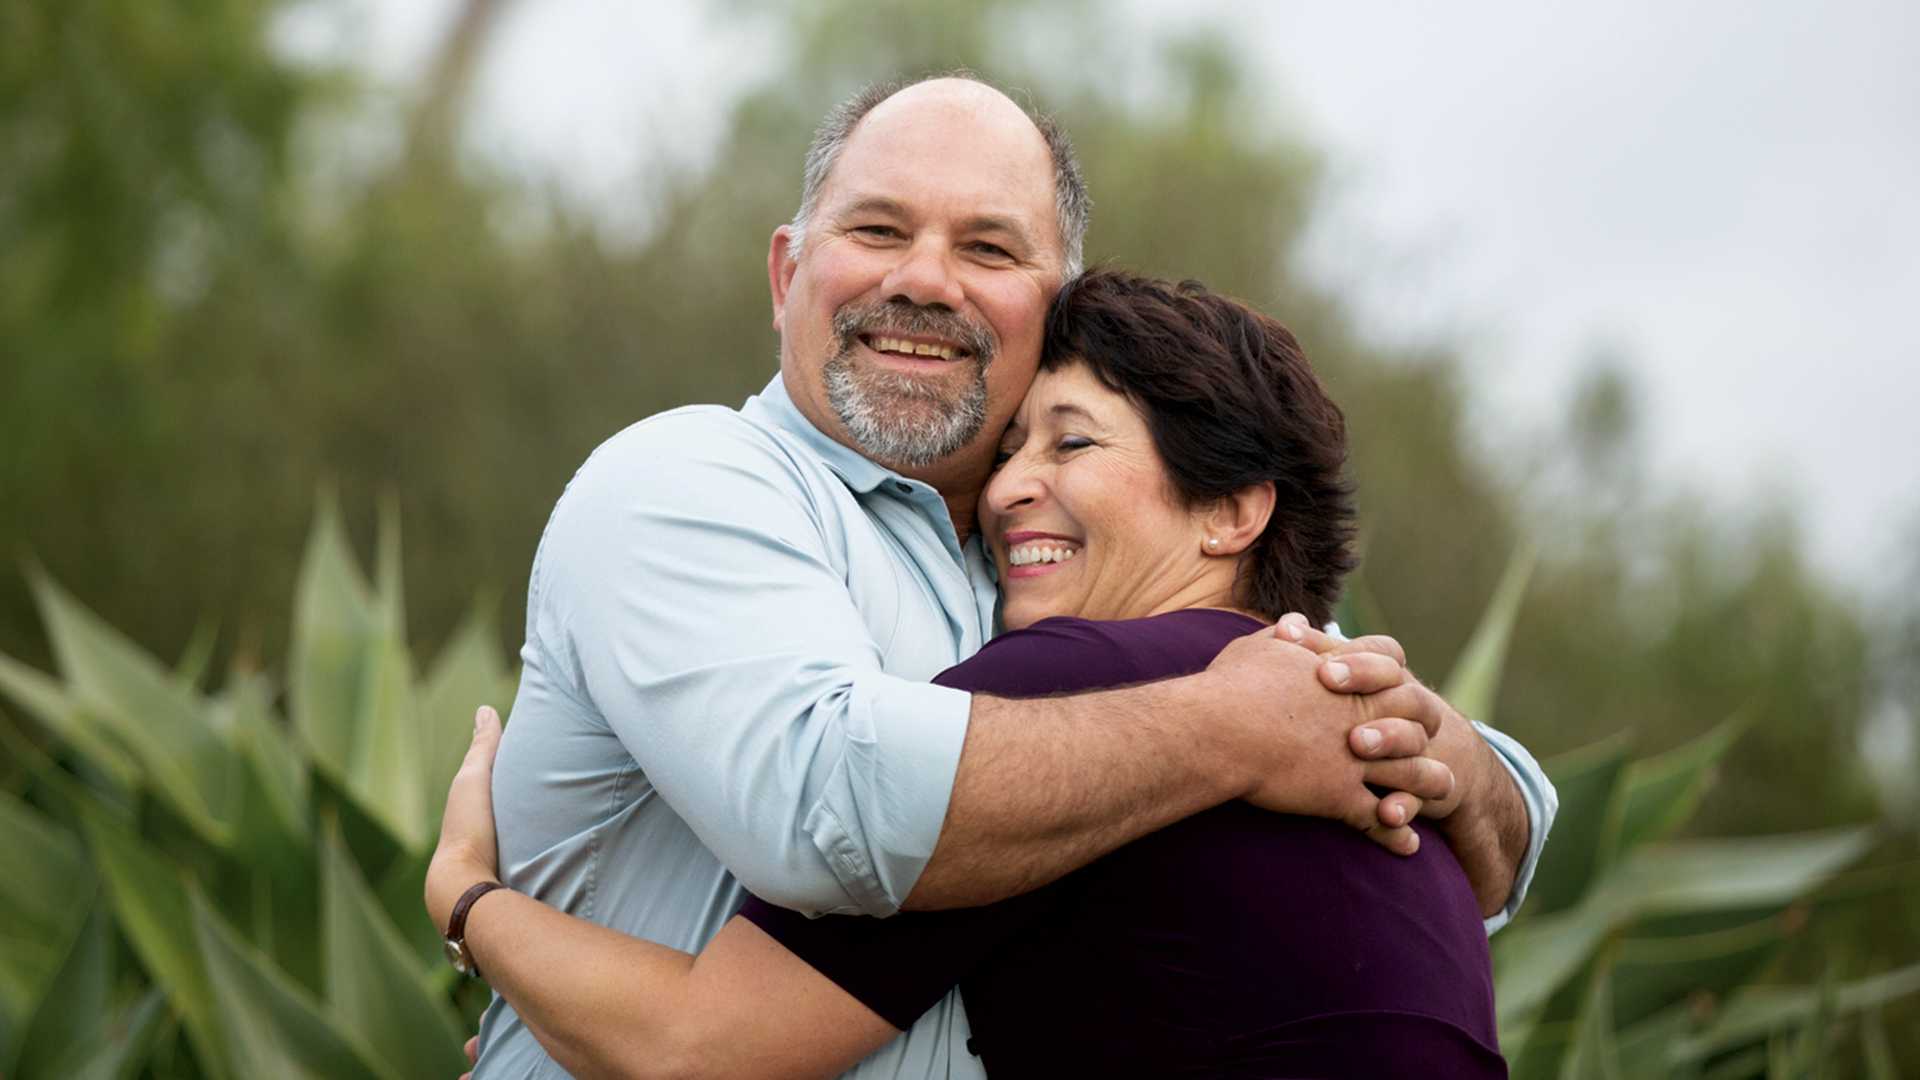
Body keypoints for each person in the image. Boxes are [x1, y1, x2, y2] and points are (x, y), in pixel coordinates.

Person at [426, 73, 1554, 1079]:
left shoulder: (1077, 584)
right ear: (785, 273)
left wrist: (1440, 749)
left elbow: (1475, 823)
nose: (924, 280)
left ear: (1049, 308)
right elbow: (832, 809)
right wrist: (1232, 732)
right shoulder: (691, 482)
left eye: (988, 248)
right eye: (876, 228)